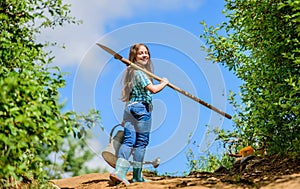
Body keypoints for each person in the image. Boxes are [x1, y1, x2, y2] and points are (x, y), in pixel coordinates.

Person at [109, 43, 169, 185]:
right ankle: (136, 175)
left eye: (146, 52)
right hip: (142, 109)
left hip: (130, 109)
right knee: (141, 143)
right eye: (141, 53)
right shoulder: (140, 72)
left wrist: (125, 118)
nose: (145, 55)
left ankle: (120, 172)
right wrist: (164, 83)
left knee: (129, 141)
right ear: (134, 56)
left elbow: (129, 97)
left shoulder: (131, 73)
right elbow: (153, 90)